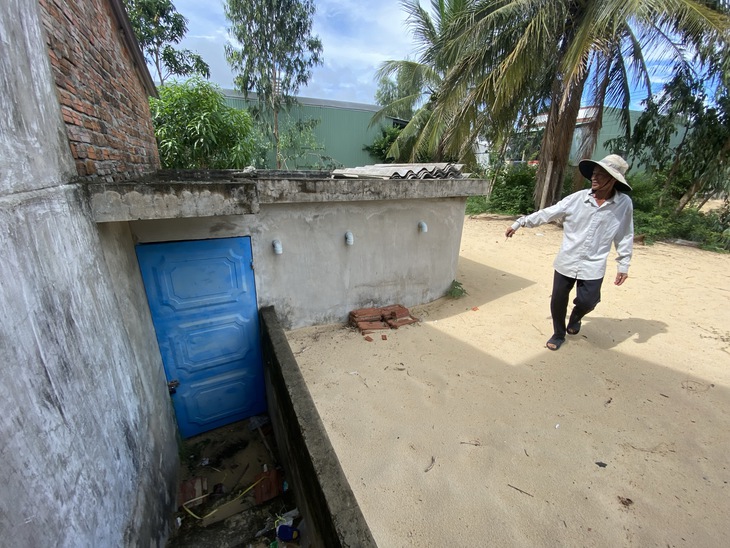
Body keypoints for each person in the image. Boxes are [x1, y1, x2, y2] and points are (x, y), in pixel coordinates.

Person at [505, 154, 634, 351]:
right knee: (558, 299)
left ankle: (576, 317)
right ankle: (558, 333)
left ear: (614, 179)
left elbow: (625, 234)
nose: (594, 177)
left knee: (588, 301)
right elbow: (548, 213)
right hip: (567, 259)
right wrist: (521, 222)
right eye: (594, 173)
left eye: (601, 174)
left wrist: (623, 264)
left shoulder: (623, 204)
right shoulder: (577, 199)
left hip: (594, 264)